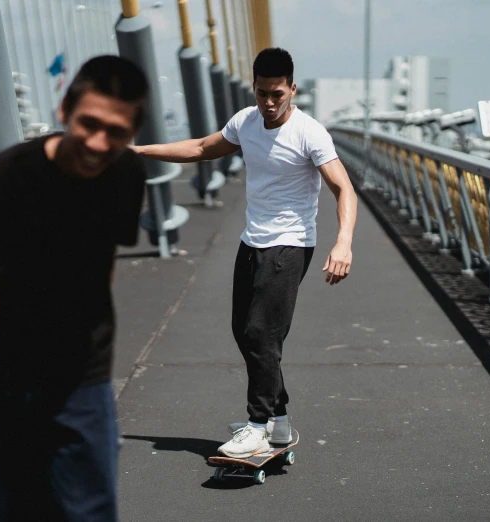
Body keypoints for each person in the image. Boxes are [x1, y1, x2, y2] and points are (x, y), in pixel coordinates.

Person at [0, 55, 148, 522]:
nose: (98, 143)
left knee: (88, 511)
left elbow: (105, 263)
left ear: (133, 132)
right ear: (64, 110)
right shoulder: (4, 180)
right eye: (88, 124)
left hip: (80, 368)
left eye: (116, 132)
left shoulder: (125, 175)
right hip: (1, 365)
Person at [132, 47, 358, 458]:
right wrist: (139, 152)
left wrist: (342, 242)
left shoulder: (310, 133)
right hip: (252, 241)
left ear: (292, 89)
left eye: (277, 94)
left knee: (262, 333)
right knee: (246, 334)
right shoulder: (246, 121)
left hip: (289, 244)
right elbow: (202, 148)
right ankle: (281, 421)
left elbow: (343, 188)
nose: (269, 104)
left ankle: (257, 426)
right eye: (261, 94)